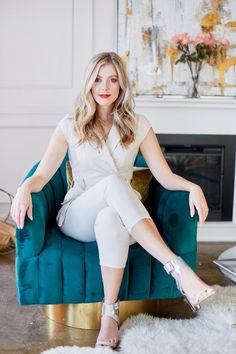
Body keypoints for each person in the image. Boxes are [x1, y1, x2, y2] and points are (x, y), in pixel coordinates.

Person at [11, 51, 215, 349]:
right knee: (112, 183)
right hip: (78, 215)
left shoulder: (138, 124)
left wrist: (193, 187)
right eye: (97, 79)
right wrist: (24, 187)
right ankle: (177, 269)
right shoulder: (70, 125)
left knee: (110, 218)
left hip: (124, 217)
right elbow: (42, 175)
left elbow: (164, 175)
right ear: (88, 84)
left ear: (121, 86)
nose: (104, 86)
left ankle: (110, 313)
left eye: (112, 79)